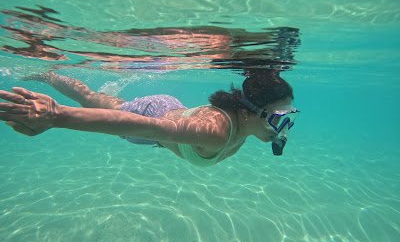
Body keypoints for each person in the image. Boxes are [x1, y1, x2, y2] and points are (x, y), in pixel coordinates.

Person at [0, 70, 299, 167]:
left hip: (168, 110)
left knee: (98, 99)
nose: (284, 128)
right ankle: (49, 75)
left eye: (289, 118)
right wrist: (57, 116)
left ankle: (55, 77)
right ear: (248, 111)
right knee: (91, 99)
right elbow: (146, 126)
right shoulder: (216, 133)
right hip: (150, 117)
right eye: (278, 118)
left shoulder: (247, 125)